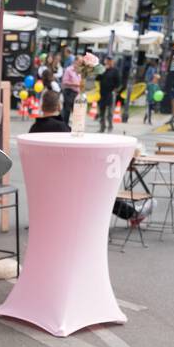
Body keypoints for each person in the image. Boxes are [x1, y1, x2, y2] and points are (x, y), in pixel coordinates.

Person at [33, 91, 151, 226]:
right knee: (97, 189)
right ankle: (132, 213)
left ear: (42, 107)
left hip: (44, 184)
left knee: (93, 187)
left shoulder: (34, 129)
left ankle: (131, 213)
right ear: (59, 106)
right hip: (65, 183)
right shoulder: (62, 129)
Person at [98, 56, 120, 132]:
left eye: (109, 61)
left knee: (109, 112)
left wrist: (115, 90)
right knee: (101, 111)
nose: (108, 62)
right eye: (107, 61)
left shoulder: (115, 70)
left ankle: (110, 126)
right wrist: (103, 70)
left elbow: (118, 82)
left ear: (112, 62)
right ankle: (102, 127)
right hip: (102, 93)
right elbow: (97, 78)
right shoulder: (103, 70)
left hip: (110, 93)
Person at [61, 55, 81, 124]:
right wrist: (74, 84)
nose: (80, 63)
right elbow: (65, 82)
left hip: (76, 93)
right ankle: (65, 126)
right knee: (67, 110)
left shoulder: (79, 71)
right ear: (75, 61)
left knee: (76, 111)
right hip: (69, 92)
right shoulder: (69, 70)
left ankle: (75, 127)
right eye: (79, 61)